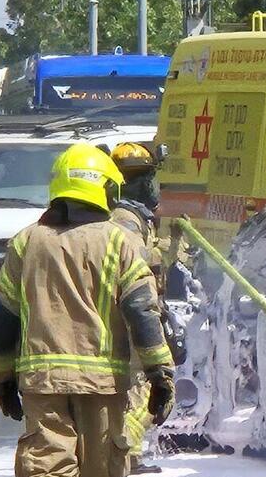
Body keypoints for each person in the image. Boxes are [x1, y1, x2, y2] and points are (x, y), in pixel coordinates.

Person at [0, 143, 175, 477]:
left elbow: (3, 317)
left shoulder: (26, 242)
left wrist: (3, 379)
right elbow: (142, 312)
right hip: (102, 386)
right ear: (105, 187)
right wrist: (159, 375)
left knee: (47, 467)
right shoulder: (120, 242)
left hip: (42, 386)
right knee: (102, 468)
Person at [110, 142, 167, 474]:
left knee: (132, 391)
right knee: (143, 388)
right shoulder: (125, 224)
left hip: (131, 318)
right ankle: (126, 455)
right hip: (132, 321)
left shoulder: (136, 220)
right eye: (145, 179)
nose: (151, 187)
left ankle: (127, 456)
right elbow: (136, 279)